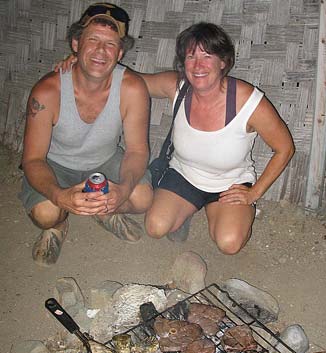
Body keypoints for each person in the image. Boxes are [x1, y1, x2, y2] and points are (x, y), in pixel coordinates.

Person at [57, 22, 295, 255]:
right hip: (184, 174)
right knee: (155, 227)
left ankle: (213, 211)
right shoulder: (178, 86)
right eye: (191, 57)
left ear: (223, 61)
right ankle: (186, 212)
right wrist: (87, 64)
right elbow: (131, 80)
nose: (198, 65)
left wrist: (254, 193)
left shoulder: (247, 100)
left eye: (207, 56)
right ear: (183, 63)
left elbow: (284, 148)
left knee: (229, 243)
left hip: (229, 183)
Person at [20, 2, 152, 267]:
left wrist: (123, 189)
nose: (101, 51)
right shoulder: (47, 92)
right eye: (93, 40)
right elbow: (32, 160)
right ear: (76, 44)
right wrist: (59, 196)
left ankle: (104, 210)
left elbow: (137, 150)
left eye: (110, 44)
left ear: (120, 52)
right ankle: (58, 226)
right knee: (46, 213)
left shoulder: (132, 88)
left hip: (105, 160)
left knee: (142, 198)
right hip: (56, 166)